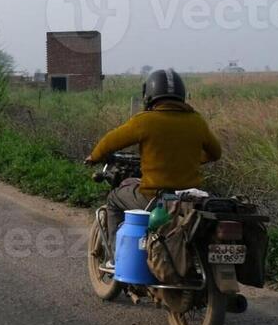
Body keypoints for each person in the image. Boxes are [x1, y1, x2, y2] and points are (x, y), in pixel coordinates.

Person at [85, 69, 223, 245]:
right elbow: (216, 153)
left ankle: (115, 255)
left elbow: (111, 141)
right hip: (189, 198)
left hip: (154, 197)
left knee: (114, 198)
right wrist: (195, 159)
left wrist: (94, 156)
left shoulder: (145, 121)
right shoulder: (196, 121)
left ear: (149, 96)